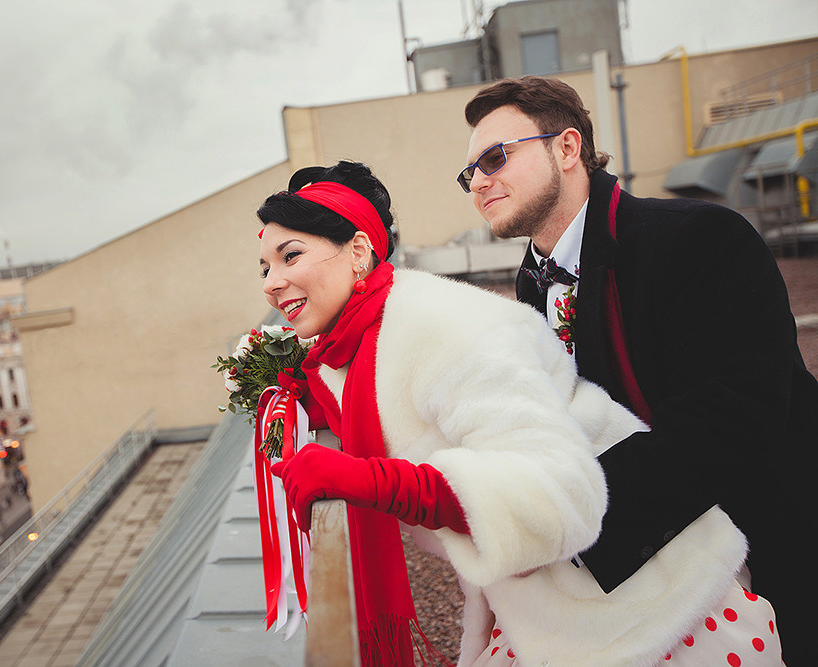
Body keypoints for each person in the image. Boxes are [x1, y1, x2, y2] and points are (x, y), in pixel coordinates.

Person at [258, 161, 757, 665]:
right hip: (567, 605)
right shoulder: (355, 343)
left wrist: (374, 482)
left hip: (654, 608)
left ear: (360, 252)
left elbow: (557, 491)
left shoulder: (445, 325)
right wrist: (302, 395)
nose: (271, 284)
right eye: (264, 268)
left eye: (290, 256)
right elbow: (397, 410)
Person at [458, 75, 816, 663]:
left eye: (495, 157)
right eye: (469, 171)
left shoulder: (700, 237)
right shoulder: (533, 280)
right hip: (650, 563)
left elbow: (733, 417)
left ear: (567, 148)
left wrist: (560, 521)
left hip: (766, 542)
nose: (479, 179)